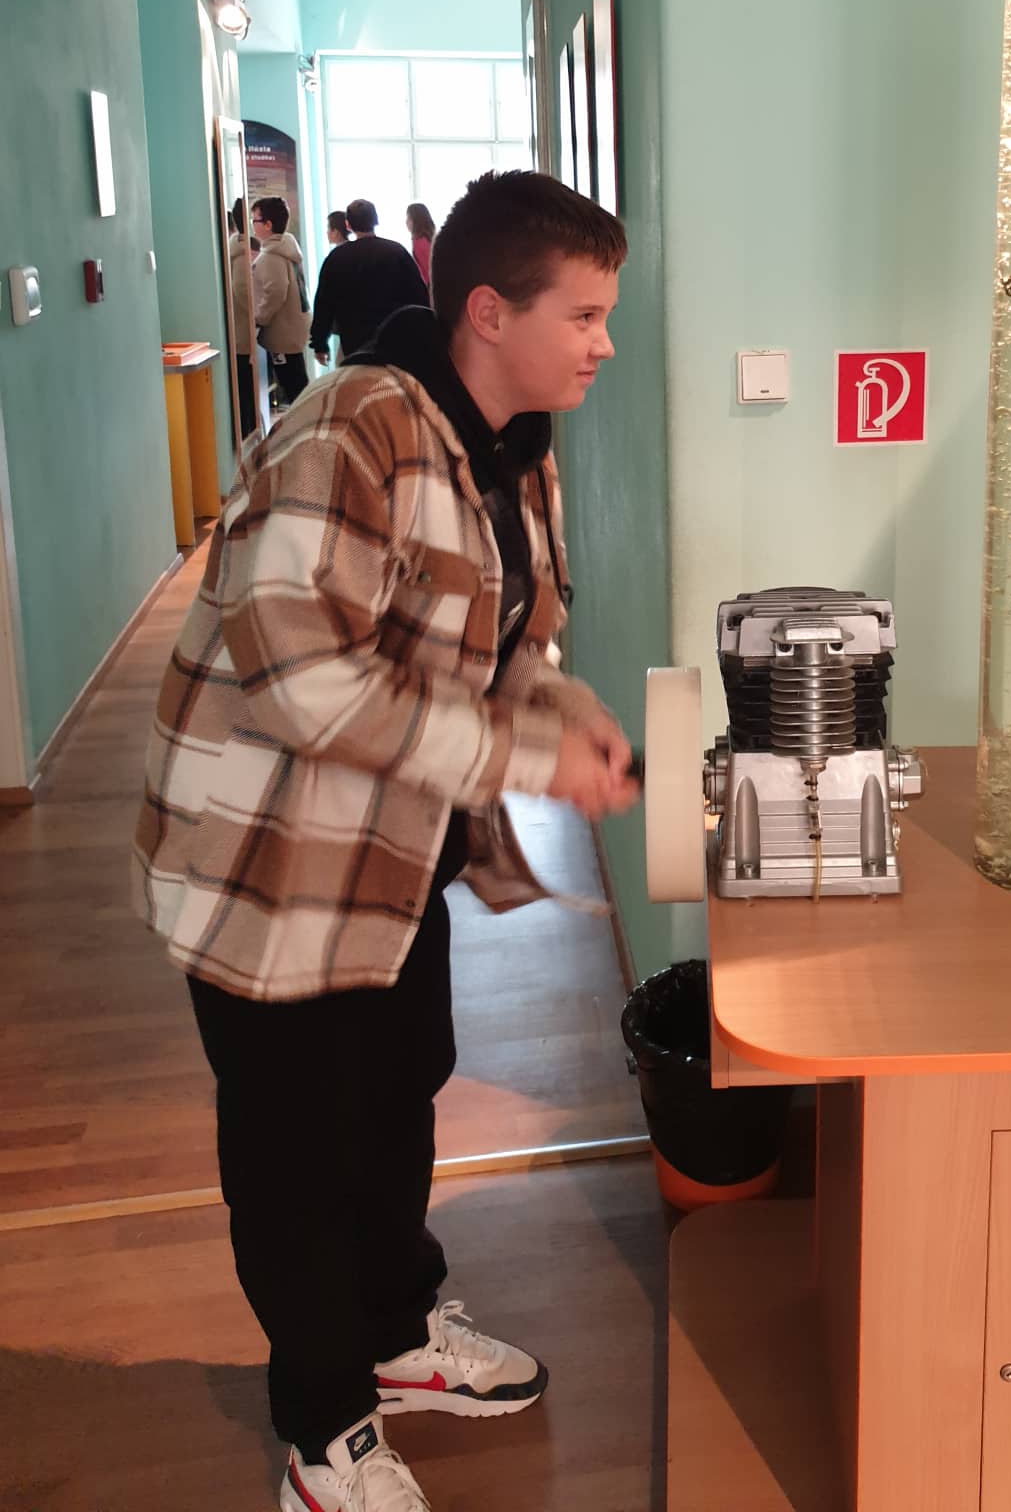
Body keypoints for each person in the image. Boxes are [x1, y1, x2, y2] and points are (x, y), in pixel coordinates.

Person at [134, 171, 637, 1512]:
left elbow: (503, 639)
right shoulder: (349, 432)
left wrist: (567, 714)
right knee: (297, 1153)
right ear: (489, 312)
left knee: (399, 1086)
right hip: (267, 873)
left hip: (385, 859)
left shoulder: (511, 444)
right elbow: (303, 684)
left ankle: (397, 1335)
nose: (603, 343)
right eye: (585, 315)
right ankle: (323, 1433)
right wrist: (521, 756)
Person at [309, 197, 429, 365]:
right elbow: (419, 296)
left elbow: (324, 302)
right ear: (375, 220)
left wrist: (319, 343)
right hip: (395, 341)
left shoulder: (337, 257)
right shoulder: (396, 252)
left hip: (354, 344)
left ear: (348, 225)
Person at [250, 196, 313, 406]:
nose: (253, 226)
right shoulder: (287, 249)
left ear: (268, 225)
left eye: (255, 220)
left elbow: (275, 292)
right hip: (293, 327)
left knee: (293, 386)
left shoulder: (271, 257)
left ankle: (304, 422)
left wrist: (259, 318)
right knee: (297, 381)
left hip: (281, 332)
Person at [227, 198, 257, 439]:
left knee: (247, 387)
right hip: (244, 331)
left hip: (242, 330)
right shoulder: (240, 252)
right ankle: (248, 434)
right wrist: (258, 315)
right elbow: (242, 290)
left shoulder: (237, 248)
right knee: (246, 388)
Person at [406, 201, 436, 293]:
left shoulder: (419, 242)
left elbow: (427, 273)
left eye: (409, 218)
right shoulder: (430, 238)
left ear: (416, 220)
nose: (406, 222)